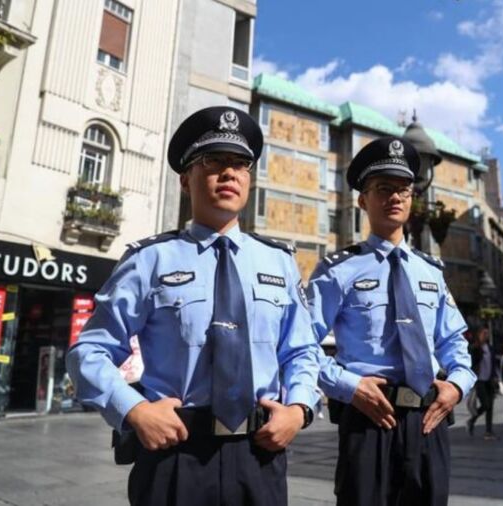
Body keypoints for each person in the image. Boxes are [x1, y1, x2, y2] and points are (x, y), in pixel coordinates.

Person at [66, 106, 320, 506]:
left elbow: (302, 349)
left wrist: (300, 408)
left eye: (240, 164)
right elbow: (88, 351)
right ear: (186, 179)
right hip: (174, 454)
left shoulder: (278, 262)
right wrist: (133, 410)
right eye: (213, 161)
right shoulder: (151, 260)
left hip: (260, 454)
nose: (229, 173)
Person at [306, 136, 476, 506]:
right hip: (368, 419)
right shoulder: (338, 271)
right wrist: (348, 386)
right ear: (363, 200)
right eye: (383, 188)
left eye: (403, 189)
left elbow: (454, 343)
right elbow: (300, 346)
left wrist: (457, 386)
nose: (395, 197)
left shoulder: (430, 272)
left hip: (429, 418)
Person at [466, 327, 498, 440]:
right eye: (484, 333)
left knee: (490, 407)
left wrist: (495, 377)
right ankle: (472, 420)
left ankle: (488, 431)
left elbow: (493, 364)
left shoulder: (490, 348)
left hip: (489, 380)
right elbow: (471, 362)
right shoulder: (474, 348)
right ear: (478, 335)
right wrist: (478, 349)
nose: (486, 335)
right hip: (479, 380)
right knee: (485, 404)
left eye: (487, 334)